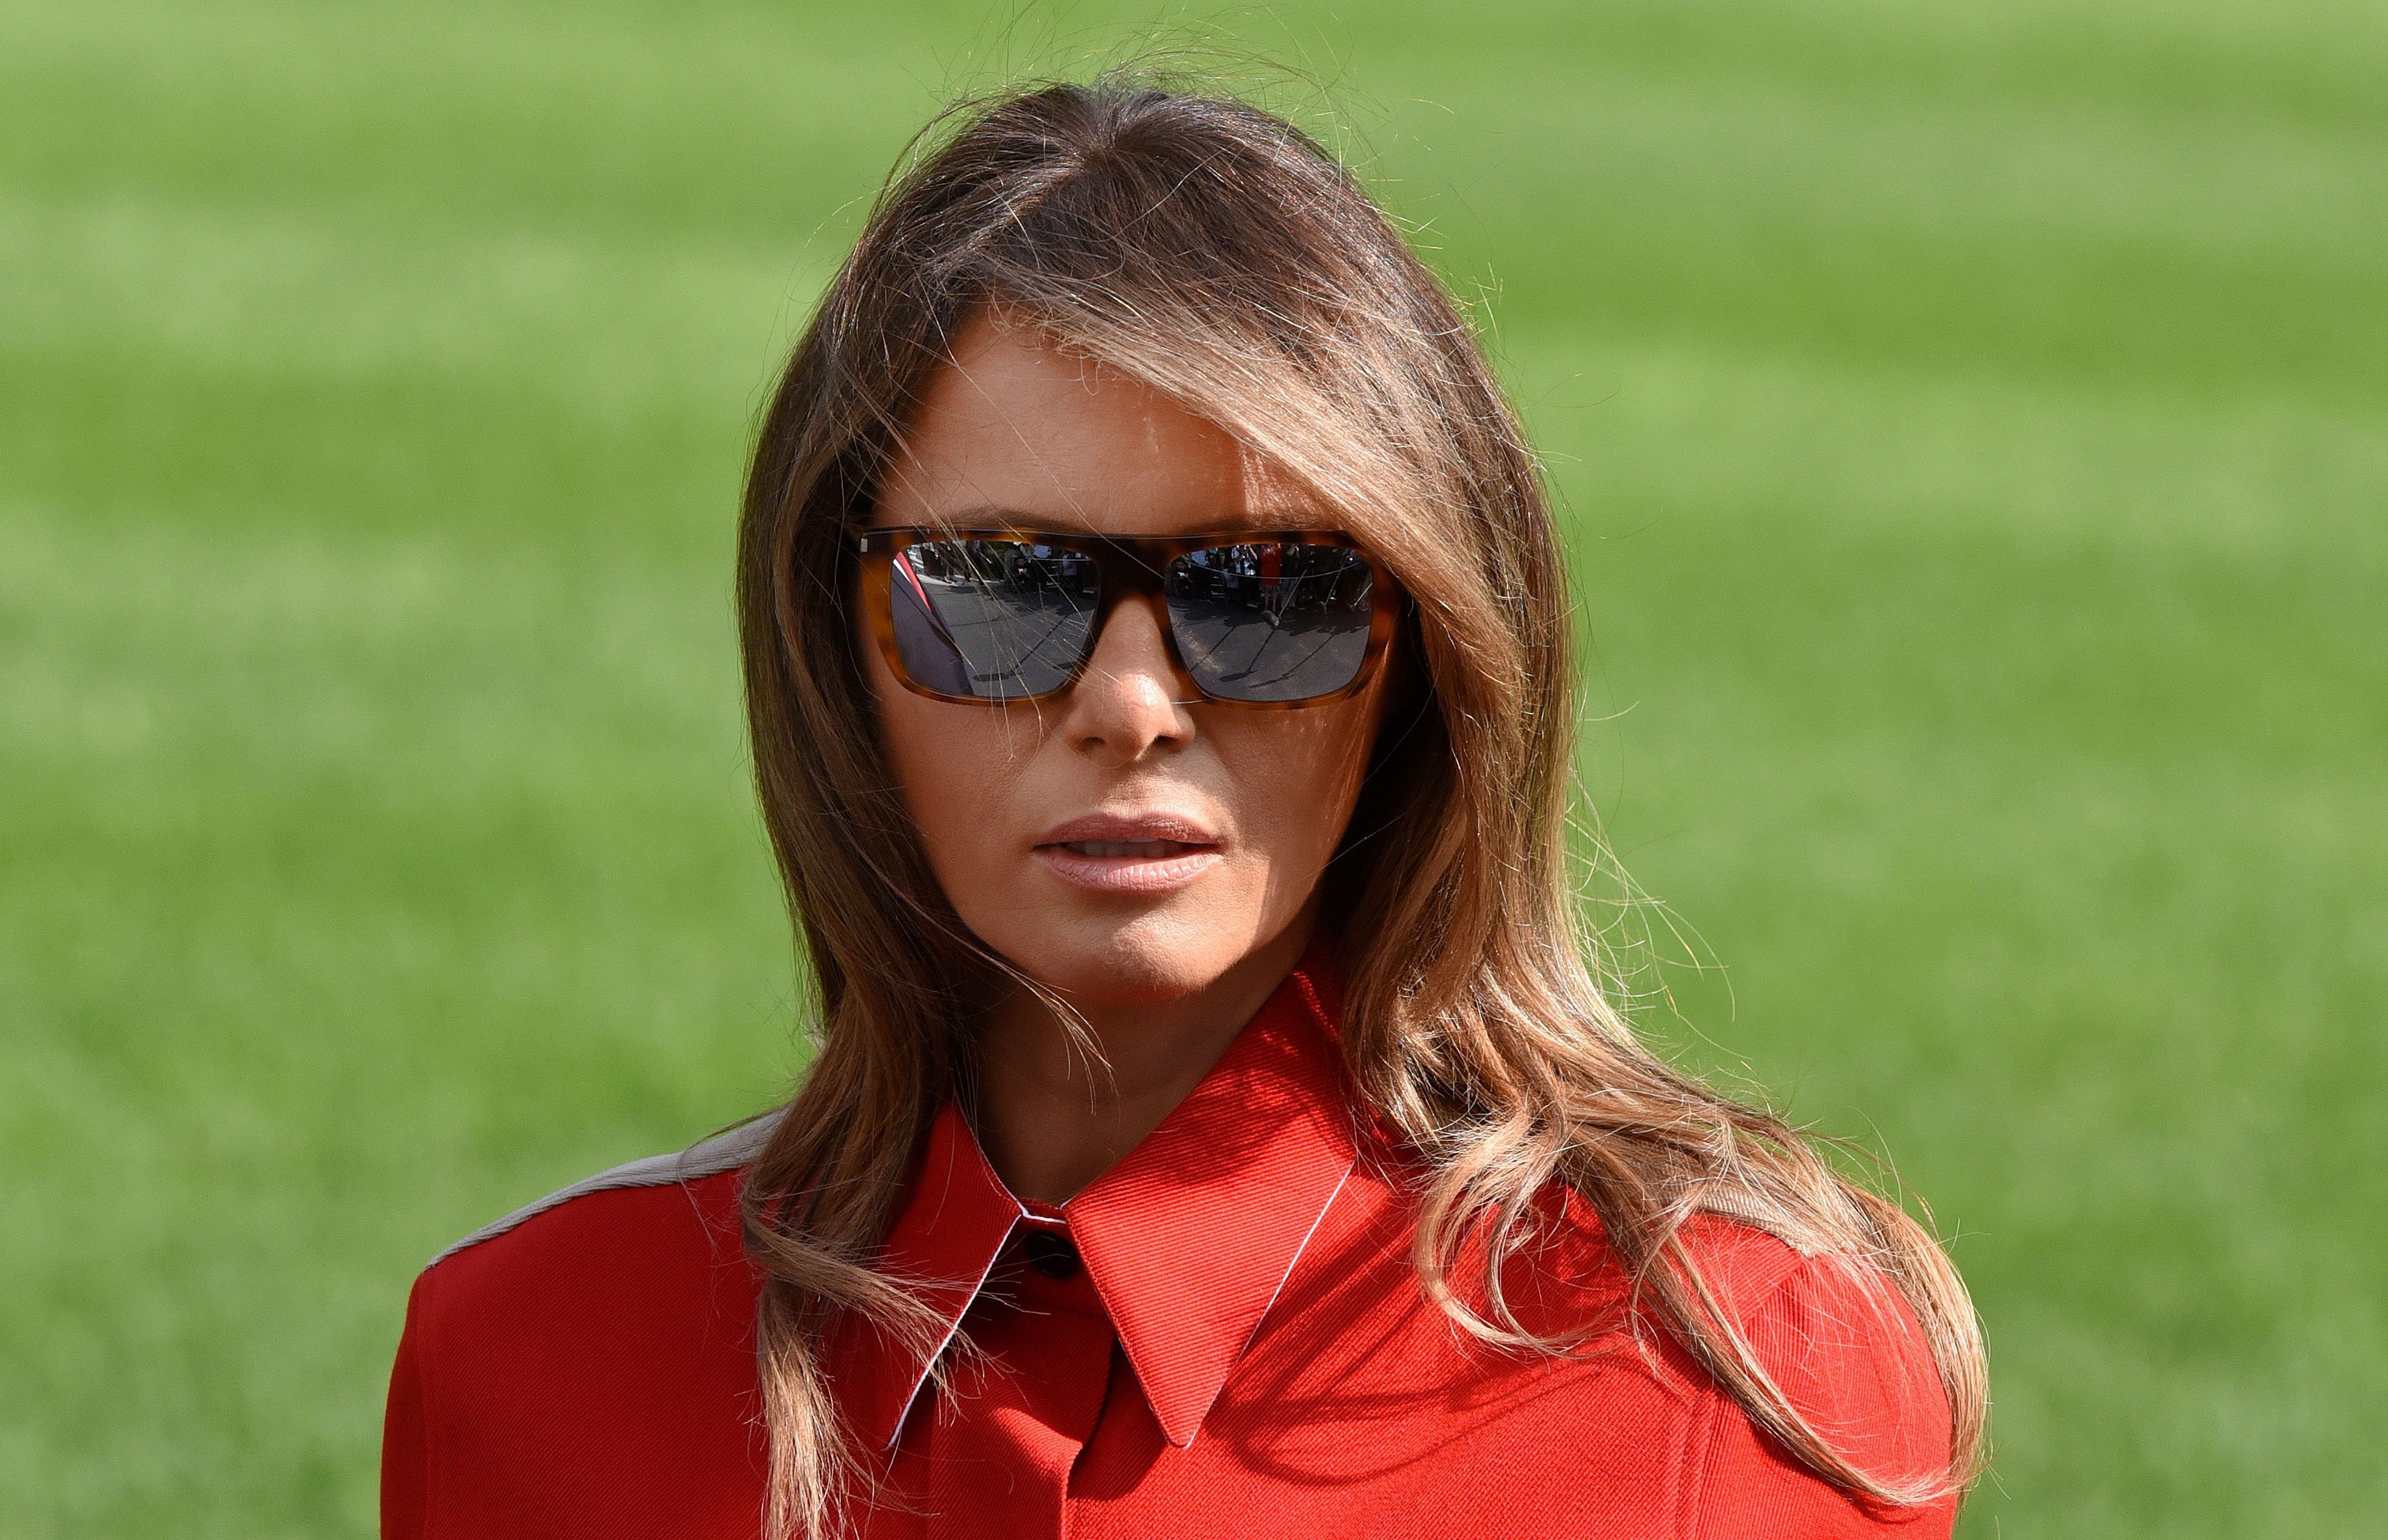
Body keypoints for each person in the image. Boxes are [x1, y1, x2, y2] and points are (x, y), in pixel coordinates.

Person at [380, 78, 1986, 1540]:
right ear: (837, 646)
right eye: (998, 590)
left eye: (1268, 592)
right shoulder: (523, 1359)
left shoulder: (1737, 1370)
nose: (1134, 704)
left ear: (1415, 654)